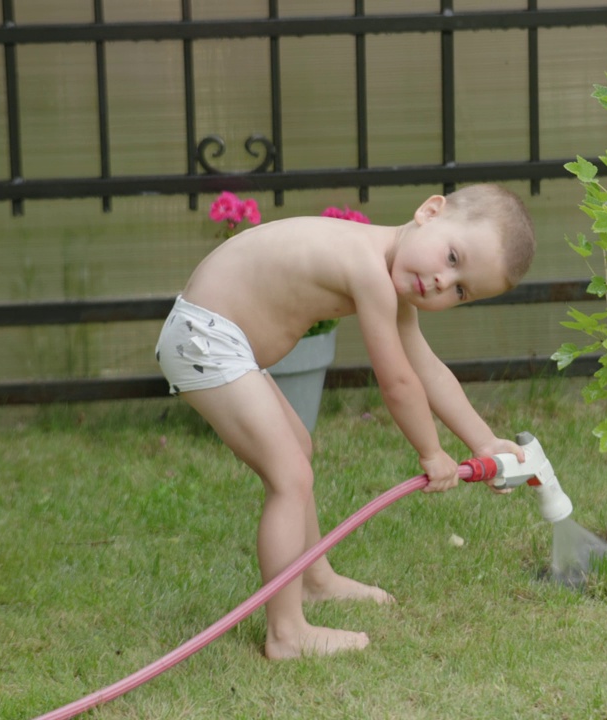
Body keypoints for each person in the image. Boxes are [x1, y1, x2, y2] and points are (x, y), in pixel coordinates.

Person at [155, 183, 536, 659]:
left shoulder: (386, 268)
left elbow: (428, 369)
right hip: (207, 338)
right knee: (290, 477)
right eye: (453, 257)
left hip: (220, 338)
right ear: (429, 211)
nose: (442, 281)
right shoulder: (367, 268)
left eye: (460, 290)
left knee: (299, 450)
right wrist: (431, 452)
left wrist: (484, 441)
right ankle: (287, 634)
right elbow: (397, 382)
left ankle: (314, 579)